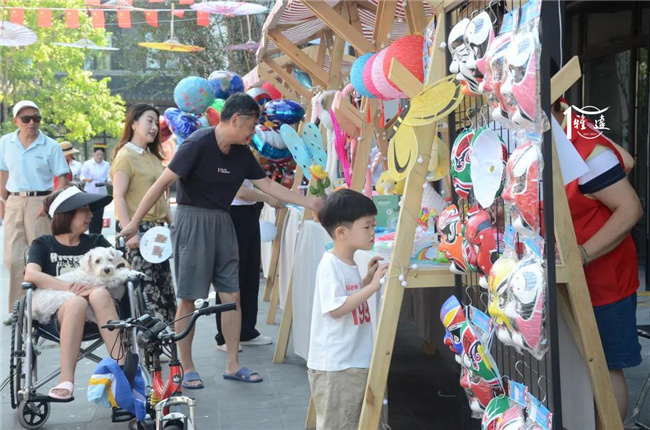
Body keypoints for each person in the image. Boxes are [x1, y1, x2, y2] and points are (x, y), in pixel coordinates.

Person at [117, 93, 323, 387]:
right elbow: (162, 184)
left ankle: (233, 363)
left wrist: (310, 202)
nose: (254, 132)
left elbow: (267, 185)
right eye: (252, 125)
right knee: (188, 298)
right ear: (236, 120)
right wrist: (134, 223)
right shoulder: (197, 144)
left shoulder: (242, 152)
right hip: (192, 221)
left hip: (224, 222)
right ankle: (186, 367)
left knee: (231, 296)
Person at [552, 98, 642, 427]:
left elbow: (630, 209)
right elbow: (627, 160)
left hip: (605, 278)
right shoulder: (566, 127)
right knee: (579, 364)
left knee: (604, 366)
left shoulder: (585, 148)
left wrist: (584, 253)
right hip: (572, 272)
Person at [23, 186, 121, 400]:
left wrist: (94, 287)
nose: (90, 214)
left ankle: (123, 371)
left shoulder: (96, 242)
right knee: (77, 302)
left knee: (99, 294)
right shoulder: (43, 244)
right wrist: (70, 287)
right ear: (66, 214)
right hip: (61, 313)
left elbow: (123, 266)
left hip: (101, 310)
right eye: (84, 209)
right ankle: (66, 380)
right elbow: (31, 275)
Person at [307, 189, 388, 430]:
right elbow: (336, 308)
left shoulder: (348, 263)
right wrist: (371, 287)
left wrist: (366, 280)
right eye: (367, 226)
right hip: (338, 366)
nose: (373, 232)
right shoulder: (330, 264)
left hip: (352, 361)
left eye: (373, 225)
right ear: (341, 232)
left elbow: (347, 296)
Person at [0, 100, 70, 325]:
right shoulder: (5, 142)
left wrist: (50, 203)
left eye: (36, 118)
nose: (31, 122)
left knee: (40, 256)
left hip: (41, 201)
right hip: (13, 201)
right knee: (12, 258)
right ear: (15, 121)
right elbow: (2, 173)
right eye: (26, 118)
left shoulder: (50, 146)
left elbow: (63, 179)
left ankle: (44, 307)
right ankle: (17, 307)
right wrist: (2, 201)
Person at [111, 104, 177, 323]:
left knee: (164, 286)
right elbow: (119, 196)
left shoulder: (154, 157)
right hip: (138, 231)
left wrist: (173, 225)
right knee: (145, 290)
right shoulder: (125, 156)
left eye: (156, 123)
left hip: (158, 231)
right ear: (133, 124)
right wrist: (129, 231)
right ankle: (148, 339)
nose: (154, 127)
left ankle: (166, 335)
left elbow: (160, 197)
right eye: (149, 121)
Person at [214, 180, 282, 352]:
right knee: (231, 277)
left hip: (249, 212)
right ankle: (224, 337)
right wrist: (267, 197)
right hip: (231, 213)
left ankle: (246, 331)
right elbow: (240, 192)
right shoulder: (228, 164)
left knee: (250, 275)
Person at [81, 145, 111, 234]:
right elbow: (82, 176)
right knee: (90, 213)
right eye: (98, 154)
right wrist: (86, 179)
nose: (100, 157)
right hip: (90, 192)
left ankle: (97, 234)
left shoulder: (106, 164)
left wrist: (109, 182)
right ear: (93, 154)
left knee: (99, 214)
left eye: (101, 155)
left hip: (101, 192)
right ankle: (90, 233)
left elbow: (109, 176)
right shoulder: (87, 164)